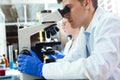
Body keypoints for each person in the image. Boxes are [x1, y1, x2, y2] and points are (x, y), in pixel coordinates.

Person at [17, 0, 120, 80]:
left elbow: (98, 68)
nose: (65, 15)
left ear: (86, 2)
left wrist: (41, 69)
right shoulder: (84, 32)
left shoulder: (110, 22)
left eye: (68, 8)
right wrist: (46, 64)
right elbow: (71, 61)